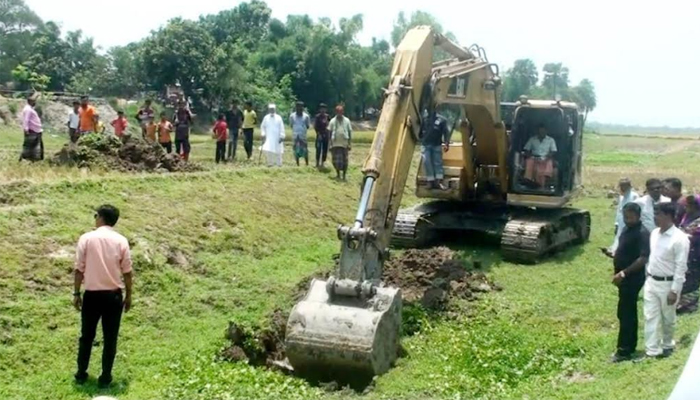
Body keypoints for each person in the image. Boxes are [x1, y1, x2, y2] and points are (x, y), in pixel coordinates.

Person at [73, 205, 133, 388]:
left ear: (100, 218)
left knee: (87, 336)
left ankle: (81, 373)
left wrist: (76, 293)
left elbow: (79, 269)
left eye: (95, 215)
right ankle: (105, 377)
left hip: (92, 296)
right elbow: (128, 272)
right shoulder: (121, 241)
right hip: (113, 296)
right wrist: (129, 295)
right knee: (110, 338)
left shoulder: (87, 238)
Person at [604, 202, 649, 362]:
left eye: (631, 217)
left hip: (632, 278)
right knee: (625, 312)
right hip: (623, 278)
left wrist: (623, 273)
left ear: (638, 216)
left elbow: (643, 258)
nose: (628, 219)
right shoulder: (626, 229)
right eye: (625, 216)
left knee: (626, 313)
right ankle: (628, 346)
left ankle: (624, 350)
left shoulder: (642, 233)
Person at [644, 202, 689, 359]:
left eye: (659, 214)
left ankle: (668, 343)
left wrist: (674, 290)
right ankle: (652, 350)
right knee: (650, 316)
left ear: (669, 216)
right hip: (651, 281)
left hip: (668, 284)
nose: (655, 217)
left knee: (667, 317)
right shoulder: (654, 233)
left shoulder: (679, 239)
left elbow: (681, 266)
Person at [677, 195, 700, 314]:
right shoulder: (686, 217)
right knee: (683, 277)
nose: (686, 208)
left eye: (689, 206)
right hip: (684, 253)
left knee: (693, 280)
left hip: (695, 254)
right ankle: (680, 303)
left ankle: (690, 305)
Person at [420, 109, 452, 190]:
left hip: (436, 144)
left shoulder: (442, 120)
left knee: (437, 162)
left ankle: (439, 182)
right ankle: (430, 181)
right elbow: (420, 131)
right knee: (427, 161)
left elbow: (446, 132)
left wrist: (446, 143)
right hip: (426, 144)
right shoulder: (425, 119)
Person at [608, 178, 640, 254]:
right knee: (619, 235)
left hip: (630, 220)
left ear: (629, 186)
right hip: (622, 220)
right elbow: (619, 210)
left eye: (624, 186)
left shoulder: (634, 196)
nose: (622, 188)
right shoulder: (621, 197)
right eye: (621, 186)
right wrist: (616, 223)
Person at [523, 123, 557, 188]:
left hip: (546, 158)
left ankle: (542, 185)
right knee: (529, 161)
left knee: (547, 165)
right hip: (534, 157)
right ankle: (529, 180)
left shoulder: (551, 140)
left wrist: (546, 158)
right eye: (540, 131)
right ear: (537, 131)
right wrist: (531, 156)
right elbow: (526, 150)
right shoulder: (532, 139)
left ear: (546, 131)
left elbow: (553, 151)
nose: (542, 133)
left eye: (543, 131)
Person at [329, 105, 352, 181]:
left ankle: (344, 176)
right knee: (335, 161)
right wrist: (330, 144)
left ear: (343, 112)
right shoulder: (332, 121)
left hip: (344, 144)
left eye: (341, 112)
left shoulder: (347, 120)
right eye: (338, 112)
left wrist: (349, 143)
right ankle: (338, 174)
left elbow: (349, 132)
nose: (339, 113)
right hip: (335, 144)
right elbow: (330, 132)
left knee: (345, 161)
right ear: (336, 112)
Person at [20, 95, 43, 162]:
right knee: (29, 145)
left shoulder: (30, 109)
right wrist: (26, 129)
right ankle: (25, 159)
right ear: (30, 102)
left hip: (36, 130)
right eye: (34, 101)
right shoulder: (28, 110)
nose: (35, 102)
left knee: (35, 146)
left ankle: (33, 159)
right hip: (32, 131)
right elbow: (26, 120)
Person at [290, 101, 311, 166]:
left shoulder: (306, 116)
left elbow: (308, 126)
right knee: (296, 151)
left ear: (303, 108)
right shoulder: (292, 116)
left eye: (301, 107)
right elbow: (291, 125)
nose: (299, 108)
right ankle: (297, 164)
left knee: (305, 150)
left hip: (303, 136)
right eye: (298, 107)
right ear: (296, 108)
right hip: (295, 135)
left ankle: (306, 164)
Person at [314, 103, 331, 168]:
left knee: (325, 149)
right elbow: (315, 126)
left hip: (326, 135)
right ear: (320, 109)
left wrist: (329, 133)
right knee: (318, 149)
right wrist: (318, 134)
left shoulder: (327, 116)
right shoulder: (317, 117)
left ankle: (323, 163)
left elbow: (330, 125)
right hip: (319, 135)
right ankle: (317, 163)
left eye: (324, 109)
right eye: (321, 108)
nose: (323, 110)